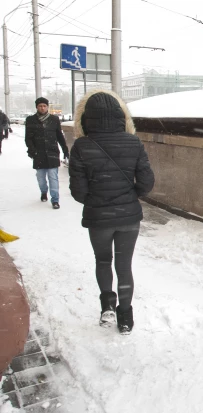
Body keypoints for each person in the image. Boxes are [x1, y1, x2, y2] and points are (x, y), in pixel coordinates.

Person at [69, 90, 154, 335]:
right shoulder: (133, 142)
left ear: (87, 118)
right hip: (129, 217)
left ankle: (107, 304)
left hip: (99, 218)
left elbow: (78, 191)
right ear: (120, 116)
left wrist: (95, 200)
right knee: (124, 265)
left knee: (103, 260)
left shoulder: (82, 146)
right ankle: (125, 317)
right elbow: (147, 182)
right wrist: (130, 195)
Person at [25, 97, 69, 209]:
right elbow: (28, 138)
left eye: (44, 106)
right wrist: (32, 151)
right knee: (40, 177)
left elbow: (59, 136)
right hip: (38, 154)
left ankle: (55, 200)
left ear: (47, 107)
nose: (42, 107)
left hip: (52, 153)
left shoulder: (54, 119)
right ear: (37, 107)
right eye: (40, 106)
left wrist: (65, 149)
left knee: (53, 177)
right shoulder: (30, 120)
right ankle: (43, 191)